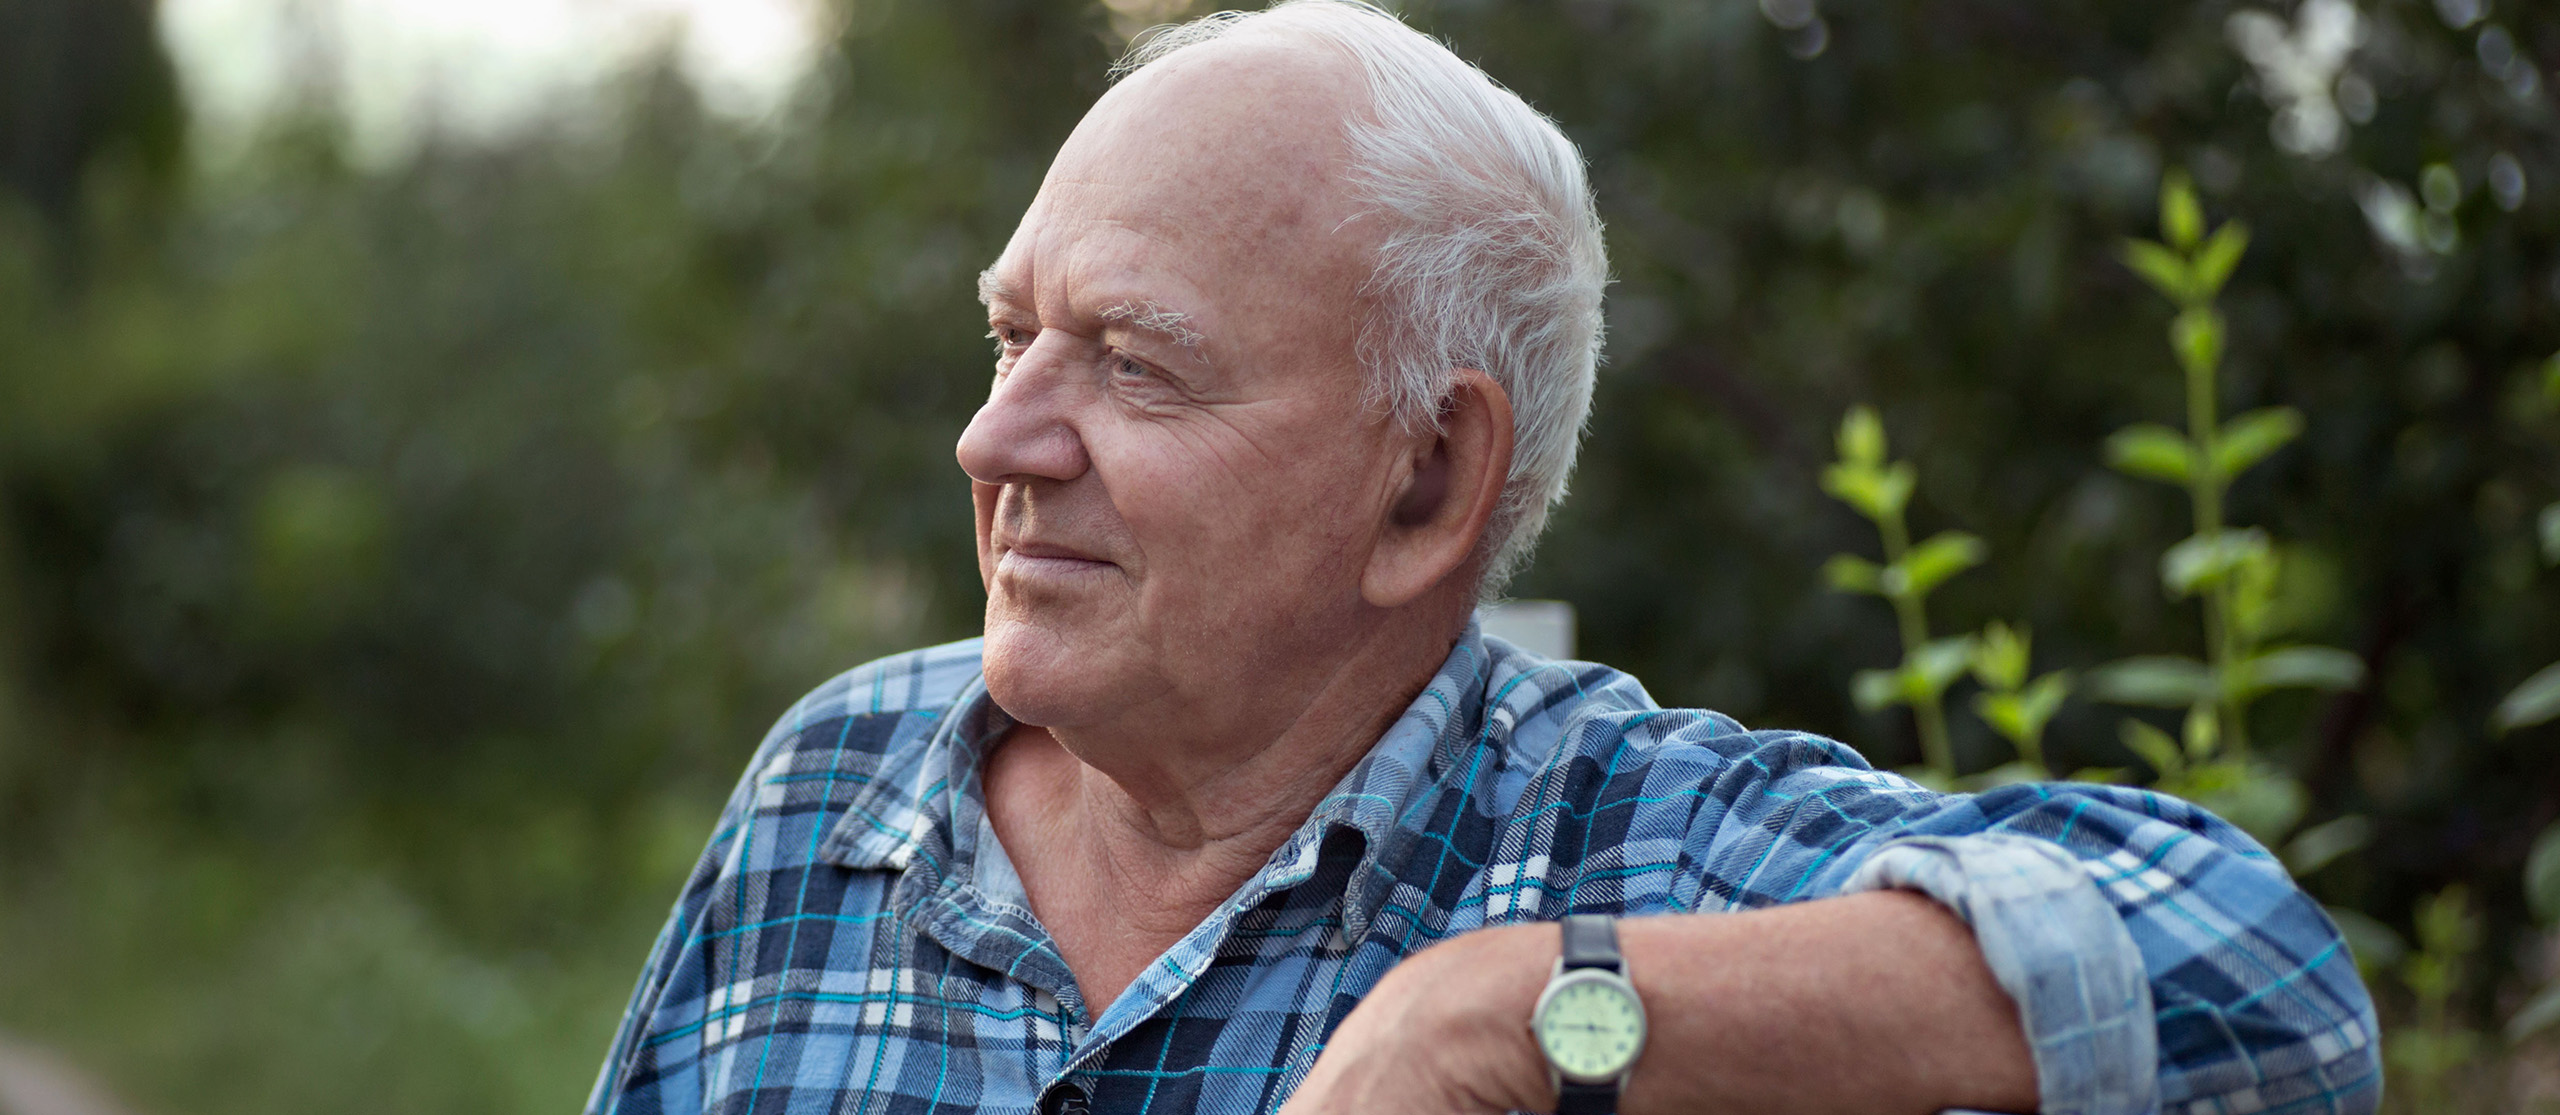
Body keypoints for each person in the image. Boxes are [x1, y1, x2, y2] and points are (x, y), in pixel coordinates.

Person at [585, 3, 2380, 1113]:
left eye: (1133, 364)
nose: (998, 443)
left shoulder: (1631, 849)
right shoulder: (837, 788)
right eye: (1010, 340)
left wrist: (1517, 1017)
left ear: (1428, 484)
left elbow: (2269, 990)